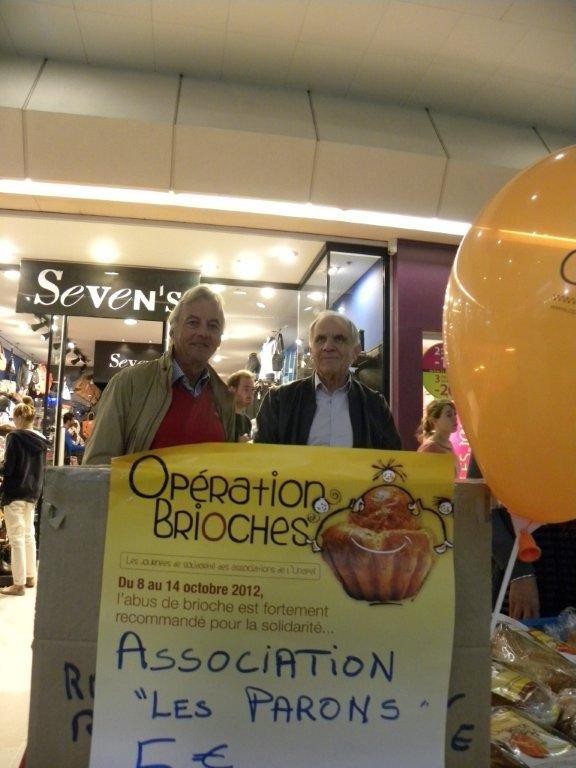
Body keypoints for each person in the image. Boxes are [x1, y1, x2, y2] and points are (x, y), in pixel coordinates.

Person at [83, 285, 236, 464]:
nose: (203, 332)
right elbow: (97, 466)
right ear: (173, 331)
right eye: (193, 322)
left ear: (219, 338)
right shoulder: (128, 385)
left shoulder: (223, 398)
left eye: (213, 325)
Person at [255, 309, 401, 449]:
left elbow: (391, 462)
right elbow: (261, 459)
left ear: (355, 352)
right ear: (311, 351)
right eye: (320, 339)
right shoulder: (278, 401)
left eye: (339, 339)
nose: (328, 347)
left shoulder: (375, 406)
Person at [0, 402, 48, 596]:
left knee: (16, 538)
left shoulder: (14, 437)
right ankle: (30, 576)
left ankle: (18, 584)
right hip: (32, 492)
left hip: (14, 492)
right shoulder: (41, 440)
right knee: (28, 535)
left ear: (19, 417)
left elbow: (8, 468)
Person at [416, 398, 459, 474]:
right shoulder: (429, 448)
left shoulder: (448, 444)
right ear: (434, 421)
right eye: (449, 415)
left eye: (455, 414)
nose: (455, 418)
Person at [227, 369, 255, 442]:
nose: (250, 394)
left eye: (252, 390)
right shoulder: (222, 418)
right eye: (246, 389)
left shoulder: (247, 421)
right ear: (232, 390)